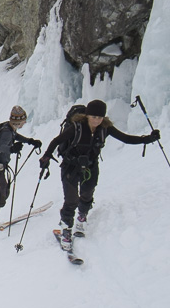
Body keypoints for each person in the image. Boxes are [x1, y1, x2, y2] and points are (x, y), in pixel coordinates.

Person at [40, 99, 160, 249]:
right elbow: (57, 141)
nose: (96, 120)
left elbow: (126, 138)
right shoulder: (76, 127)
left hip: (90, 167)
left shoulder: (105, 128)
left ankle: (82, 217)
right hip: (70, 166)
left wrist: (147, 139)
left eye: (99, 117)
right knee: (71, 200)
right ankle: (66, 229)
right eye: (93, 117)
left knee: (87, 193)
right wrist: (46, 157)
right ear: (87, 115)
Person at [0, 106, 43, 232]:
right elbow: (2, 147)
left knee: (2, 192)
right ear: (19, 121)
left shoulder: (8, 127)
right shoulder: (7, 131)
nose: (24, 122)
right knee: (0, 196)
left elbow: (15, 137)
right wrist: (13, 149)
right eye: (23, 120)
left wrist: (30, 141)